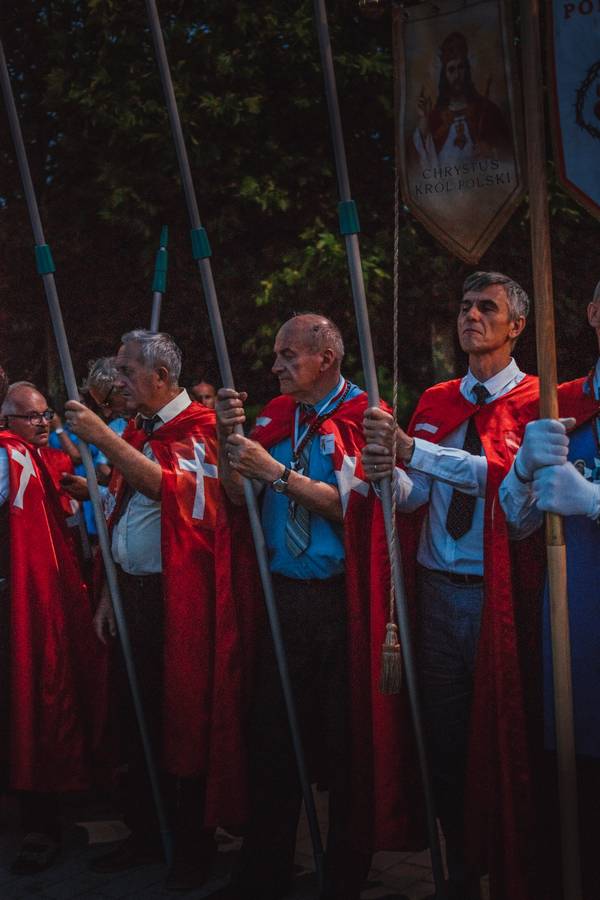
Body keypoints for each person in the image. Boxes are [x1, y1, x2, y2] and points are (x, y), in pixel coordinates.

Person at [212, 313, 418, 900]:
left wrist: (275, 472)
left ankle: (345, 876)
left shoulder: (363, 418)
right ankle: (263, 873)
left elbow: (353, 508)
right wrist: (232, 448)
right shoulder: (279, 417)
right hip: (284, 595)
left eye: (287, 356)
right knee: (273, 740)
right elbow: (237, 497)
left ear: (325, 358)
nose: (275, 365)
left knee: (345, 742)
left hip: (342, 602)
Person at [362, 272, 546, 900]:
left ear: (516, 325)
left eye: (486, 307)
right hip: (437, 592)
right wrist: (385, 472)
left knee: (507, 733)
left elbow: (504, 481)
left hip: (502, 597)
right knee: (443, 738)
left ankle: (516, 865)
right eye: (465, 305)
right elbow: (417, 500)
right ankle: (461, 867)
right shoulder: (437, 398)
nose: (472, 315)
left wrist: (415, 453)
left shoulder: (540, 401)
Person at [64, 330, 221, 892]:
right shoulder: (136, 430)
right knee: (136, 719)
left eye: (128, 372)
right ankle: (146, 830)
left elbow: (170, 491)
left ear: (160, 377)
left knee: (178, 715)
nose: (119, 381)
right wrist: (108, 592)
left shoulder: (200, 427)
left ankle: (192, 842)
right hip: (131, 591)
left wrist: (102, 438)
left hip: (176, 597)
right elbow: (122, 513)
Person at [499, 278, 600, 900]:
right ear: (591, 312)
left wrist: (594, 500)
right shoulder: (560, 406)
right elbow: (515, 521)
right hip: (576, 643)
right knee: (577, 822)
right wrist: (521, 470)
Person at [0, 381, 105, 874]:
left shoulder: (24, 457)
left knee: (35, 702)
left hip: (29, 597)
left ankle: (44, 816)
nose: (43, 424)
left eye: (46, 416)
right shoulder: (14, 456)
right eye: (32, 417)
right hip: (17, 597)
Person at [413, 31, 510, 169]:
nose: (457, 75)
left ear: (468, 70)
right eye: (451, 70)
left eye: (461, 67)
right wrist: (423, 119)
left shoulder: (488, 110)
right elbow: (423, 158)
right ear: (444, 75)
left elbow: (510, 151)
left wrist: (492, 152)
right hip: (449, 187)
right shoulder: (435, 116)